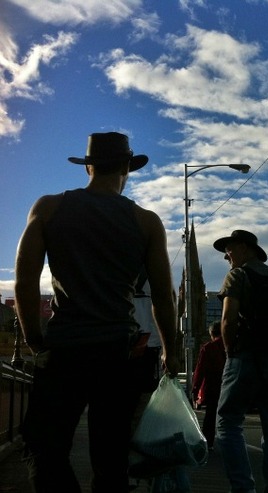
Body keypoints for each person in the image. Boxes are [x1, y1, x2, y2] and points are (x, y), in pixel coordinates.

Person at [14, 132, 180, 493]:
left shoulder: (48, 208)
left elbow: (24, 282)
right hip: (118, 352)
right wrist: (171, 351)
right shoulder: (146, 221)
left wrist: (34, 340)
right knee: (111, 457)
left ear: (87, 167)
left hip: (64, 348)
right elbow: (164, 298)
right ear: (126, 168)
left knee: (45, 446)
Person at [214, 230, 268, 493]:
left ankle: (243, 488)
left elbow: (228, 320)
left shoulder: (238, 275)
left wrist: (230, 353)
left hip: (247, 357)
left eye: (230, 249)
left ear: (245, 248)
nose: (227, 256)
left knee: (228, 423)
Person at [191, 320, 227, 449]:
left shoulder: (208, 348)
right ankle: (229, 444)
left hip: (214, 388)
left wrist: (195, 390)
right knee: (230, 418)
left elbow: (200, 371)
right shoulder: (232, 345)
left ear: (212, 333)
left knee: (210, 417)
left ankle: (208, 443)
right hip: (230, 387)